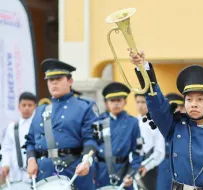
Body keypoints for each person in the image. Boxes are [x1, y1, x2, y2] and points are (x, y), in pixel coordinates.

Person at [131, 51, 203, 189]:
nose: (193, 104)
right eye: (189, 99)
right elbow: (157, 104)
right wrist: (143, 68)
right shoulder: (175, 128)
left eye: (201, 99)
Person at [25, 59, 98, 189]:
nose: (53, 82)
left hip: (74, 171)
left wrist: (87, 161)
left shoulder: (84, 107)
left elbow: (91, 139)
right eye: (50, 79)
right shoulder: (41, 110)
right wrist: (31, 160)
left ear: (70, 81)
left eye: (58, 78)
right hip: (44, 174)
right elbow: (30, 141)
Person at [94, 82, 143, 190]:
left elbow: (138, 152)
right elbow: (93, 148)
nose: (116, 104)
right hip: (101, 172)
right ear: (107, 103)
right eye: (112, 100)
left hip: (124, 172)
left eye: (119, 100)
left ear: (125, 102)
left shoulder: (133, 122)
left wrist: (131, 173)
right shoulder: (98, 122)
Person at [1, 92, 37, 185]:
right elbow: (6, 149)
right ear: (19, 107)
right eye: (24, 105)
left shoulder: (38, 126)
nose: (26, 108)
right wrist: (6, 165)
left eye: (30, 105)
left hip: (34, 175)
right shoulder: (12, 127)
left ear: (35, 107)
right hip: (16, 175)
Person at [135, 93, 165, 190]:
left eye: (143, 102)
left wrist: (146, 166)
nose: (140, 105)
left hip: (148, 167)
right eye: (138, 102)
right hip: (133, 167)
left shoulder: (156, 123)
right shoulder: (133, 121)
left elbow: (160, 151)